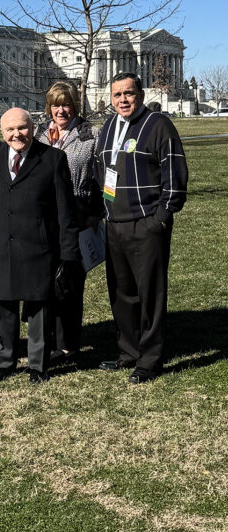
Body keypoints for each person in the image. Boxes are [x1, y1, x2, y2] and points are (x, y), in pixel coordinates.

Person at [94, 72, 188, 384]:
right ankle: (129, 352)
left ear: (140, 95)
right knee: (122, 293)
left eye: (129, 93)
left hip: (146, 222)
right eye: (117, 94)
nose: (123, 99)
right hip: (115, 223)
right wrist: (104, 210)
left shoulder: (158, 124)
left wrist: (161, 216)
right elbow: (102, 170)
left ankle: (149, 359)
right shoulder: (109, 126)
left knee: (150, 293)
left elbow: (174, 173)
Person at [0, 108, 78, 384]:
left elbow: (65, 211)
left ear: (33, 128)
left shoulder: (53, 158)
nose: (16, 134)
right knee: (4, 307)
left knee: (38, 308)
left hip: (39, 247)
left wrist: (68, 253)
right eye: (10, 130)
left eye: (22, 128)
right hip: (2, 247)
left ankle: (38, 364)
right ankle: (5, 361)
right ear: (1, 132)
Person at [35, 81, 100, 360]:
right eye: (55, 105)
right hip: (44, 217)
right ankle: (46, 340)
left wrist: (95, 212)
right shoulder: (39, 134)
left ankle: (67, 343)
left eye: (66, 105)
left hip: (76, 213)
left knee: (71, 281)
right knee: (45, 280)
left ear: (75, 106)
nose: (61, 110)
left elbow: (101, 176)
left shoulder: (90, 135)